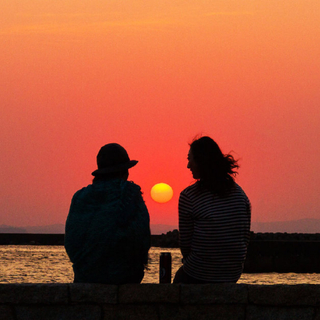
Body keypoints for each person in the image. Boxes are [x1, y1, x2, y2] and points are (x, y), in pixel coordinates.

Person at [65, 143, 151, 284]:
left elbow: (72, 242)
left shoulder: (80, 197)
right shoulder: (130, 194)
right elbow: (142, 238)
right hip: (125, 278)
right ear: (124, 171)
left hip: (85, 276)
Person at [173, 136, 251, 284]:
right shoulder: (241, 196)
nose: (188, 165)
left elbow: (185, 245)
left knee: (178, 282)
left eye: (190, 159)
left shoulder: (189, 197)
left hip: (197, 273)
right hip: (232, 274)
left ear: (201, 162)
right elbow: (244, 238)